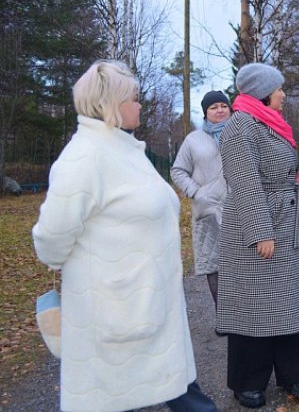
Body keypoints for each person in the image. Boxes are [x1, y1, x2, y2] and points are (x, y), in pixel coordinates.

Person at [32, 60, 217, 412]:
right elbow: (51, 240)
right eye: (134, 98)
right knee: (121, 398)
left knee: (175, 388)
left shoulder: (124, 149)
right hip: (114, 311)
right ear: (111, 103)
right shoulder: (83, 157)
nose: (140, 104)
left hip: (147, 305)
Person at [216, 63, 299, 408]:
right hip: (257, 227)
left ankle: (295, 374)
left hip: (283, 221)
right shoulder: (240, 128)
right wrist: (261, 232)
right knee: (254, 307)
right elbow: (244, 183)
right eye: (279, 89)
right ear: (262, 92)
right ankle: (248, 381)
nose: (284, 94)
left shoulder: (269, 122)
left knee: (288, 301)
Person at [171, 90, 232, 308]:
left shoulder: (240, 134)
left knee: (241, 261)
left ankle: (245, 316)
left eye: (223, 106)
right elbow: (178, 171)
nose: (220, 110)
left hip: (238, 207)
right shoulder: (193, 140)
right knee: (213, 263)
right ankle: (223, 316)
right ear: (206, 112)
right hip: (208, 210)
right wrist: (197, 192)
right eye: (214, 107)